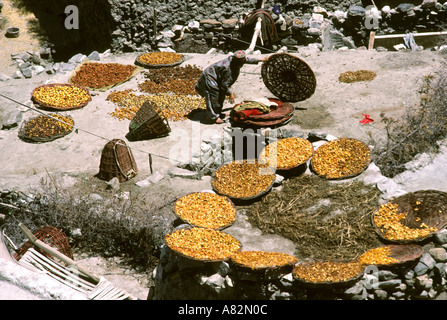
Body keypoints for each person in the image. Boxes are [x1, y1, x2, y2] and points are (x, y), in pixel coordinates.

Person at [195, 50, 268, 124]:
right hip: (211, 77)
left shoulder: (237, 60)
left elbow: (247, 59)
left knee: (221, 95)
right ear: (236, 60)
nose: (243, 63)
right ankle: (213, 117)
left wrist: (262, 59)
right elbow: (224, 85)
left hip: (218, 77)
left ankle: (218, 113)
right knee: (214, 96)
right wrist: (230, 94)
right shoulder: (228, 68)